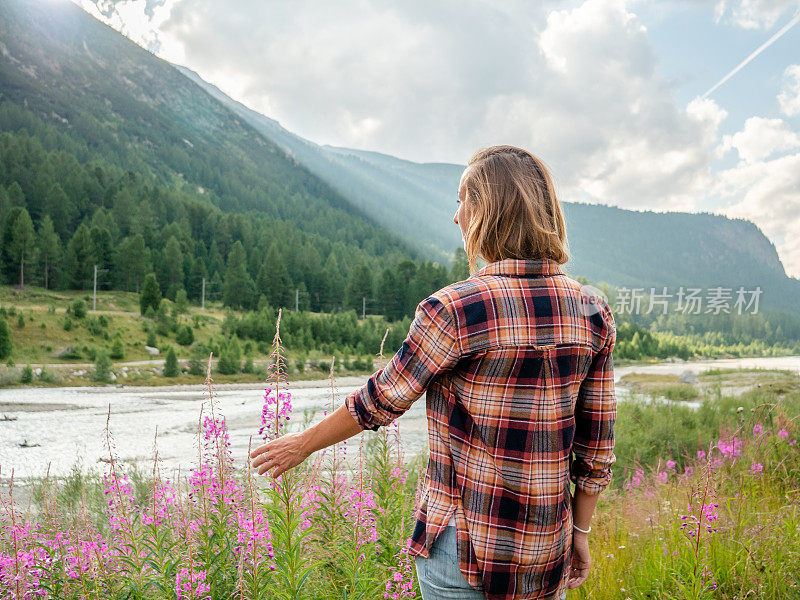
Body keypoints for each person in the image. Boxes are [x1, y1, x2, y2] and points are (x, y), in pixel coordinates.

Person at [250, 145, 617, 600]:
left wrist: (301, 444)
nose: (456, 216)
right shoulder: (592, 311)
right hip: (547, 550)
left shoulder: (456, 308)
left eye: (463, 199)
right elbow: (596, 446)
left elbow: (382, 400)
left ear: (488, 210)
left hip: (463, 548)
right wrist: (581, 530)